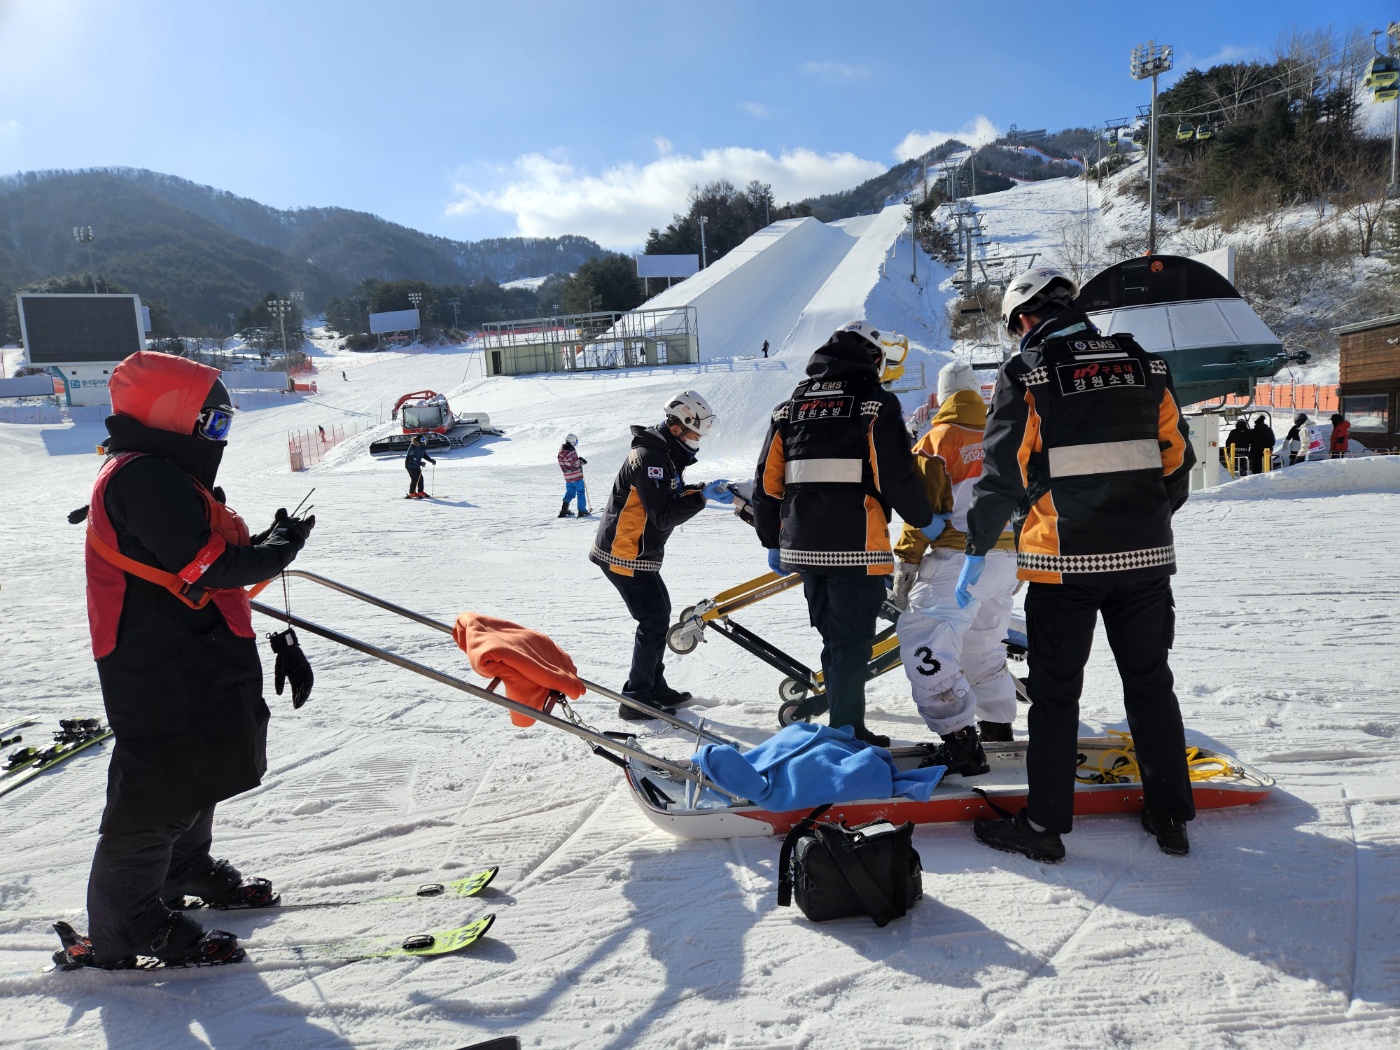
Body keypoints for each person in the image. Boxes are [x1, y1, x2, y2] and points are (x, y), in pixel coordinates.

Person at [64, 350, 315, 969]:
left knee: (204, 763)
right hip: (156, 660)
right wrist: (277, 551)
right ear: (171, 415)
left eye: (225, 422)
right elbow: (207, 566)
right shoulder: (142, 478)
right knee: (160, 784)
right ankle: (126, 928)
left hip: (192, 647)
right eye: (213, 422)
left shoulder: (163, 473)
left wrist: (267, 545)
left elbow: (196, 555)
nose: (220, 436)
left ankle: (183, 869)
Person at [964, 266, 1196, 863]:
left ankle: (1044, 828)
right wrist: (1145, 516)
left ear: (1024, 318)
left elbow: (1004, 473)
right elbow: (1177, 459)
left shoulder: (1029, 371)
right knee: (1150, 684)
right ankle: (1170, 817)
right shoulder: (1144, 363)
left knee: (1056, 694)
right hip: (1144, 559)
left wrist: (977, 547)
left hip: (1063, 563)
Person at [752, 320, 933, 746]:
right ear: (872, 357)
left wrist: (772, 539)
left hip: (803, 548)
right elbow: (894, 475)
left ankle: (841, 724)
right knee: (851, 645)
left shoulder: (789, 408)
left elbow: (767, 483)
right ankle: (848, 733)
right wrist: (926, 519)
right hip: (856, 545)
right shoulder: (874, 403)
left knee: (834, 640)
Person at [892, 360, 1019, 775]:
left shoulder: (937, 440)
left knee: (925, 641)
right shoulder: (1005, 433)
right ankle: (998, 730)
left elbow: (919, 509)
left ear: (944, 397)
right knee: (984, 645)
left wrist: (908, 561)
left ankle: (959, 740)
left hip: (958, 559)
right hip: (1007, 558)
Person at [590, 391, 732, 719]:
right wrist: (702, 499)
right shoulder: (651, 458)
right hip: (624, 552)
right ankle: (636, 699)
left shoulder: (663, 453)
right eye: (696, 433)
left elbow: (669, 495)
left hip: (638, 551)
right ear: (677, 427)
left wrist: (702, 489)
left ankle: (653, 686)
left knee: (659, 615)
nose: (698, 440)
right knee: (652, 620)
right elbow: (663, 515)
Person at [557, 433, 590, 518]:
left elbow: (565, 463)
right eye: (576, 442)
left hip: (567, 477)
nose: (575, 444)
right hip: (576, 476)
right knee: (580, 492)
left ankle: (564, 510)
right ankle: (582, 510)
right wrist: (581, 461)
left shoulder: (560, 451)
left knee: (570, 492)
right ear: (572, 440)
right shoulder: (571, 451)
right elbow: (575, 463)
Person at [404, 434, 435, 499]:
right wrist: (420, 463)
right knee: (414, 479)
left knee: (420, 478)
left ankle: (420, 491)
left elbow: (424, 455)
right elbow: (412, 458)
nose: (423, 441)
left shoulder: (422, 447)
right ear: (418, 440)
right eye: (422, 440)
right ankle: (412, 493)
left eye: (424, 440)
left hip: (417, 465)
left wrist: (431, 460)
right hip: (410, 465)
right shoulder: (413, 448)